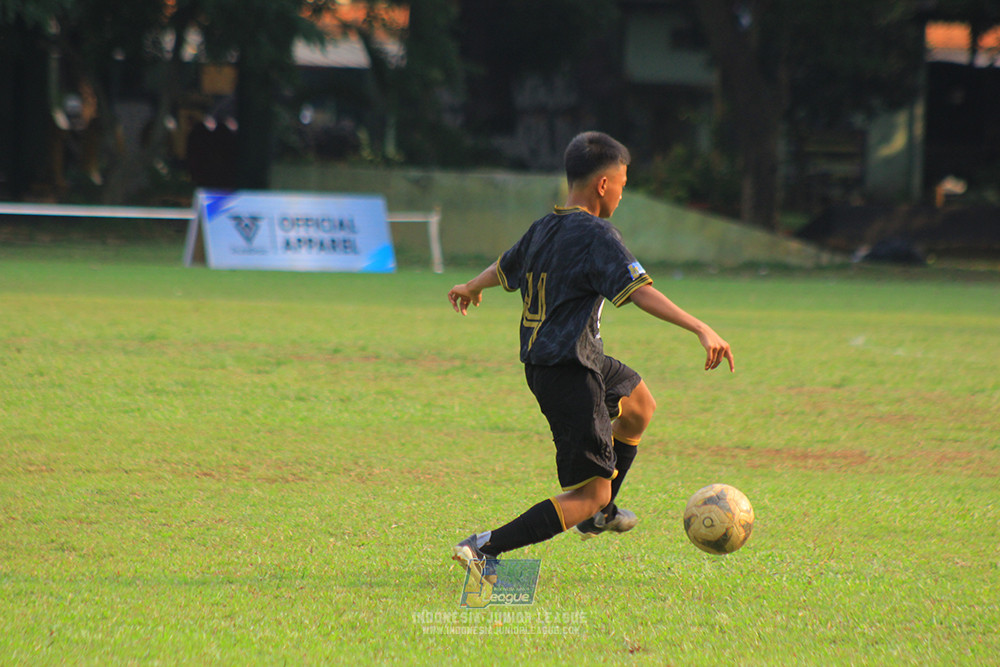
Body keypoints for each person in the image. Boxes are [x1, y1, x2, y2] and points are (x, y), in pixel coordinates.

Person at [447, 131, 734, 583]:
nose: (622, 192)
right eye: (622, 182)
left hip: (567, 358)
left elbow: (505, 266)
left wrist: (471, 286)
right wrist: (701, 327)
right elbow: (641, 294)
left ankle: (600, 513)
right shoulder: (597, 234)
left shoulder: (544, 227)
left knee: (639, 406)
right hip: (568, 371)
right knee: (588, 493)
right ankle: (483, 548)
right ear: (604, 185)